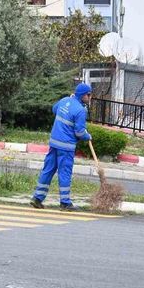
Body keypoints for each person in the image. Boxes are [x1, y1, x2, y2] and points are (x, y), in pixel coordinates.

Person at [30, 83, 93, 212]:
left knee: (48, 170)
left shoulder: (65, 100)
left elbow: (54, 109)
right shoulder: (80, 110)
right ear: (82, 95)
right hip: (66, 147)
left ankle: (37, 198)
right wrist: (88, 136)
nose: (90, 97)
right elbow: (79, 132)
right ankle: (65, 203)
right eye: (88, 94)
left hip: (54, 143)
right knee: (65, 173)